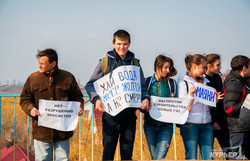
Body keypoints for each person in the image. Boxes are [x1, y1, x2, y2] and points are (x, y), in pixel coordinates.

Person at [85, 29, 151, 160]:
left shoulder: (135, 63)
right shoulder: (104, 62)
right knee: (108, 154)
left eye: (125, 44)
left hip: (130, 115)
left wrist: (145, 98)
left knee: (127, 155)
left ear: (129, 44)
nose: (122, 47)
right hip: (110, 116)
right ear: (113, 43)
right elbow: (90, 84)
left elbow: (142, 86)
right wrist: (96, 99)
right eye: (119, 43)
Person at [20, 48, 84, 161]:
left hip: (63, 131)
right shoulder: (33, 78)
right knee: (42, 158)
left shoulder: (68, 78)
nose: (39, 66)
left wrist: (79, 107)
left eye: (42, 63)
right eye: (39, 63)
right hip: (41, 131)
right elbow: (25, 99)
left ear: (53, 63)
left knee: (63, 158)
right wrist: (31, 109)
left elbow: (77, 97)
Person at [177, 54, 222, 160]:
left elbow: (207, 105)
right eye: (203, 67)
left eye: (206, 67)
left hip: (206, 124)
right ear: (194, 66)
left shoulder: (206, 82)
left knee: (208, 157)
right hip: (190, 124)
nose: (205, 70)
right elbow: (183, 104)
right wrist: (191, 95)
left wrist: (214, 100)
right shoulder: (183, 81)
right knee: (192, 157)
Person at [142, 55, 177, 160]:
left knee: (159, 157)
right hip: (149, 125)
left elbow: (177, 103)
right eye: (165, 67)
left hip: (166, 126)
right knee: (154, 158)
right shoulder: (147, 82)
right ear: (158, 67)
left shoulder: (172, 84)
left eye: (169, 68)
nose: (167, 70)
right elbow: (141, 103)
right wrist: (143, 108)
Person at [223, 55, 250, 160]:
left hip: (246, 126)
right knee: (236, 158)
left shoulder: (243, 80)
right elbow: (229, 108)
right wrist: (247, 103)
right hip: (238, 128)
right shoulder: (233, 83)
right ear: (244, 68)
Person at [204, 54, 230, 155]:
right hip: (210, 123)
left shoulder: (217, 78)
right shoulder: (203, 81)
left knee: (230, 153)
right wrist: (213, 122)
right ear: (209, 66)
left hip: (222, 122)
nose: (220, 67)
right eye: (218, 65)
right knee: (208, 155)